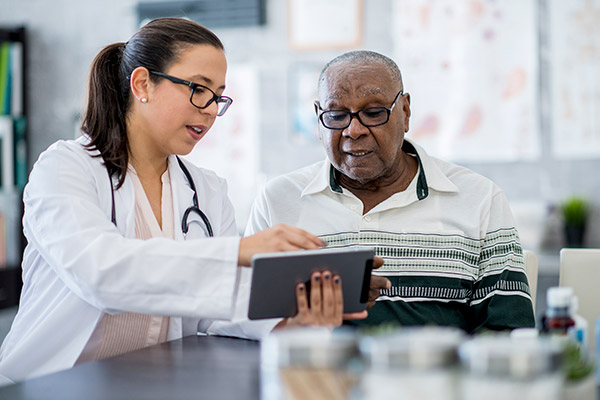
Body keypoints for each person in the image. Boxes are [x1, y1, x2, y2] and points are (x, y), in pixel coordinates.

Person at [0, 18, 363, 385]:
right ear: (143, 84)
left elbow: (218, 306)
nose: (209, 109)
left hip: (151, 383)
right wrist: (237, 251)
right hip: (50, 383)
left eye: (218, 96)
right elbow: (100, 273)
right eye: (198, 89)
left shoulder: (206, 190)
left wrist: (292, 315)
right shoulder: (64, 168)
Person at [233, 50, 535, 335]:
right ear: (317, 116)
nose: (353, 130)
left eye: (374, 112)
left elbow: (508, 332)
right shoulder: (278, 200)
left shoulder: (479, 198)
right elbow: (240, 321)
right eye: (337, 116)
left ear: (404, 111)